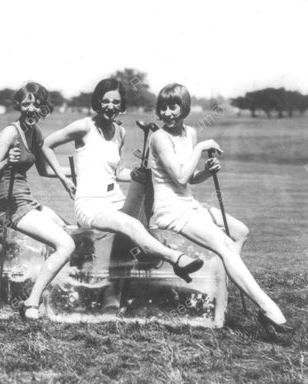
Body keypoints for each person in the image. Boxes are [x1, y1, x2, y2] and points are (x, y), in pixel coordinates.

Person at [147, 82, 291, 333]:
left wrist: (206, 171)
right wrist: (202, 148)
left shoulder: (190, 133)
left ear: (185, 108)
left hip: (188, 204)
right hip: (169, 210)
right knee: (224, 245)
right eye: (163, 108)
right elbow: (179, 178)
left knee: (240, 232)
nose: (168, 113)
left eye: (174, 106)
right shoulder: (159, 137)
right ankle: (270, 311)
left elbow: (190, 179)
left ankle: (220, 286)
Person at [42, 78, 203, 289]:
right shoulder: (83, 126)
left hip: (115, 199)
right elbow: (46, 145)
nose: (110, 107)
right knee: (131, 225)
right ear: (97, 101)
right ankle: (176, 259)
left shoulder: (120, 132)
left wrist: (138, 173)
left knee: (143, 225)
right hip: (90, 204)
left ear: (121, 104)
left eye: (116, 102)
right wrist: (64, 178)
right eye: (105, 101)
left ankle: (119, 288)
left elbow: (116, 172)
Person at [0, 82, 75, 321]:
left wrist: (68, 178)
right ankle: (31, 302)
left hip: (26, 199)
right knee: (65, 245)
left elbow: (45, 169)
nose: (32, 109)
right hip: (9, 205)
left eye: (37, 104)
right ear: (19, 106)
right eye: (27, 104)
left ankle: (44, 291)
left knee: (67, 231)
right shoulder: (10, 133)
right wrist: (7, 162)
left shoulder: (35, 133)